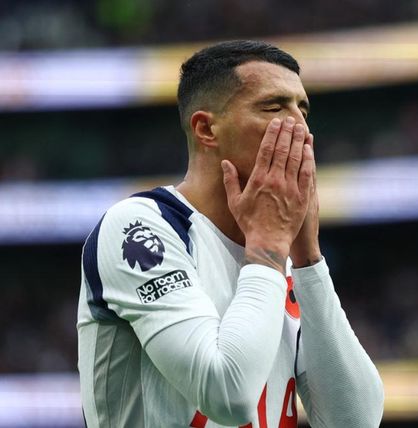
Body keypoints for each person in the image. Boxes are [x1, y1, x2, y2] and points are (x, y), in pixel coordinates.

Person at [77, 40, 384, 427]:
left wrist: (308, 260)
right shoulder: (141, 225)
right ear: (206, 129)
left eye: (303, 110)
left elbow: (356, 420)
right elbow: (227, 396)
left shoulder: (279, 259)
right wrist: (270, 249)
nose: (301, 128)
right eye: (274, 107)